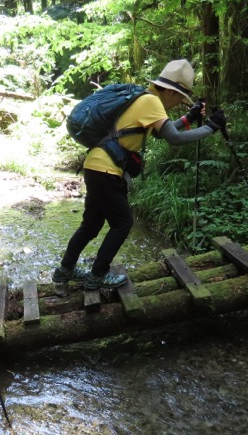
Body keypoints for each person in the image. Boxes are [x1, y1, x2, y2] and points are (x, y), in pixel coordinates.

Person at [53, 59, 227, 290]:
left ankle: (64, 272)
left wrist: (190, 118)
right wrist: (210, 128)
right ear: (171, 91)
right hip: (107, 169)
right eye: (179, 99)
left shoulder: (144, 98)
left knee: (91, 225)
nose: (178, 104)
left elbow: (161, 133)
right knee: (123, 223)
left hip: (96, 164)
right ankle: (97, 276)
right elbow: (174, 138)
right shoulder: (152, 101)